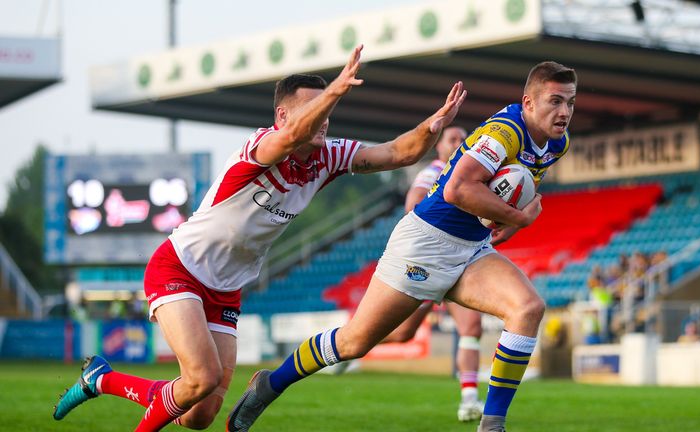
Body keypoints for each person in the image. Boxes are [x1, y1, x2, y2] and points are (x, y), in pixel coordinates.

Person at [52, 45, 467, 432]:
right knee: (202, 378)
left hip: (227, 286)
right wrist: (336, 89)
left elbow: (398, 153)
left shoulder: (331, 154)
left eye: (328, 108)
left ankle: (102, 380)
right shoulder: (263, 143)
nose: (325, 117)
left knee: (200, 413)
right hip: (179, 268)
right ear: (283, 116)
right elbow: (288, 139)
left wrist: (433, 125)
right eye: (314, 107)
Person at [227, 61, 577, 432]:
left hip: (472, 248)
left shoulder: (558, 144)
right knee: (353, 342)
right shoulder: (503, 132)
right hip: (427, 241)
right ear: (528, 102)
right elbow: (458, 190)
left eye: (570, 102)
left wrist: (505, 220)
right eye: (555, 101)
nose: (564, 112)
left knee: (527, 308)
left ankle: (491, 426)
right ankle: (270, 385)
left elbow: (509, 188)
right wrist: (519, 218)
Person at [381, 125, 486, 422]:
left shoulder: (472, 173)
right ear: (439, 147)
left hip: (458, 261)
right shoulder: (435, 171)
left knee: (472, 328)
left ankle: (469, 399)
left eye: (463, 140)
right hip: (431, 260)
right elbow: (412, 204)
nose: (459, 143)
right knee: (402, 333)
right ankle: (353, 349)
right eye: (452, 139)